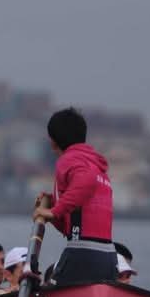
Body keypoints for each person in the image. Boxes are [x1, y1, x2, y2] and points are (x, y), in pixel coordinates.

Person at [32, 107, 117, 285]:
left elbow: (86, 182)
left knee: (45, 292)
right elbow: (68, 228)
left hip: (83, 254)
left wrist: (53, 211)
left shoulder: (70, 160)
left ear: (53, 142)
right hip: (109, 258)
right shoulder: (97, 168)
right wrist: (51, 211)